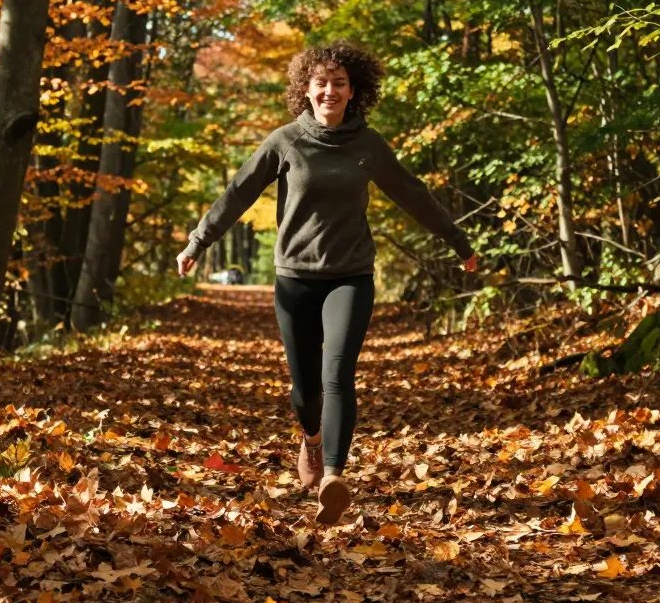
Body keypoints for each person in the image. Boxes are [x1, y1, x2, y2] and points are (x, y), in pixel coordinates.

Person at [175, 39, 477, 524]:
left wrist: (459, 242)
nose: (329, 91)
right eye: (321, 83)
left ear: (353, 91)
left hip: (350, 277)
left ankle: (334, 477)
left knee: (338, 375)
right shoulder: (285, 141)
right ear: (306, 90)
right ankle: (312, 441)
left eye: (339, 83)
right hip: (295, 278)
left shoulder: (368, 145)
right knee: (305, 390)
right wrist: (198, 242)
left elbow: (411, 194)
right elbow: (239, 192)